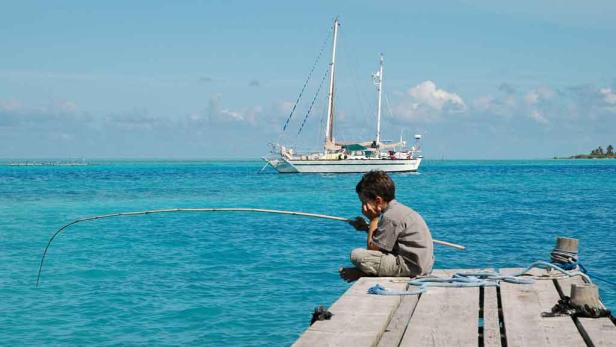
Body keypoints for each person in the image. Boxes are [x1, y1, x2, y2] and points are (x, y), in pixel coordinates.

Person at [339, 171, 434, 282]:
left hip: (411, 268)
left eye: (364, 202)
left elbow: (373, 250)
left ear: (378, 200)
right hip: (421, 265)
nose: (363, 207)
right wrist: (367, 227)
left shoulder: (390, 217)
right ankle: (362, 273)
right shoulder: (398, 210)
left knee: (357, 255)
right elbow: (386, 239)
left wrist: (373, 219)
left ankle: (361, 274)